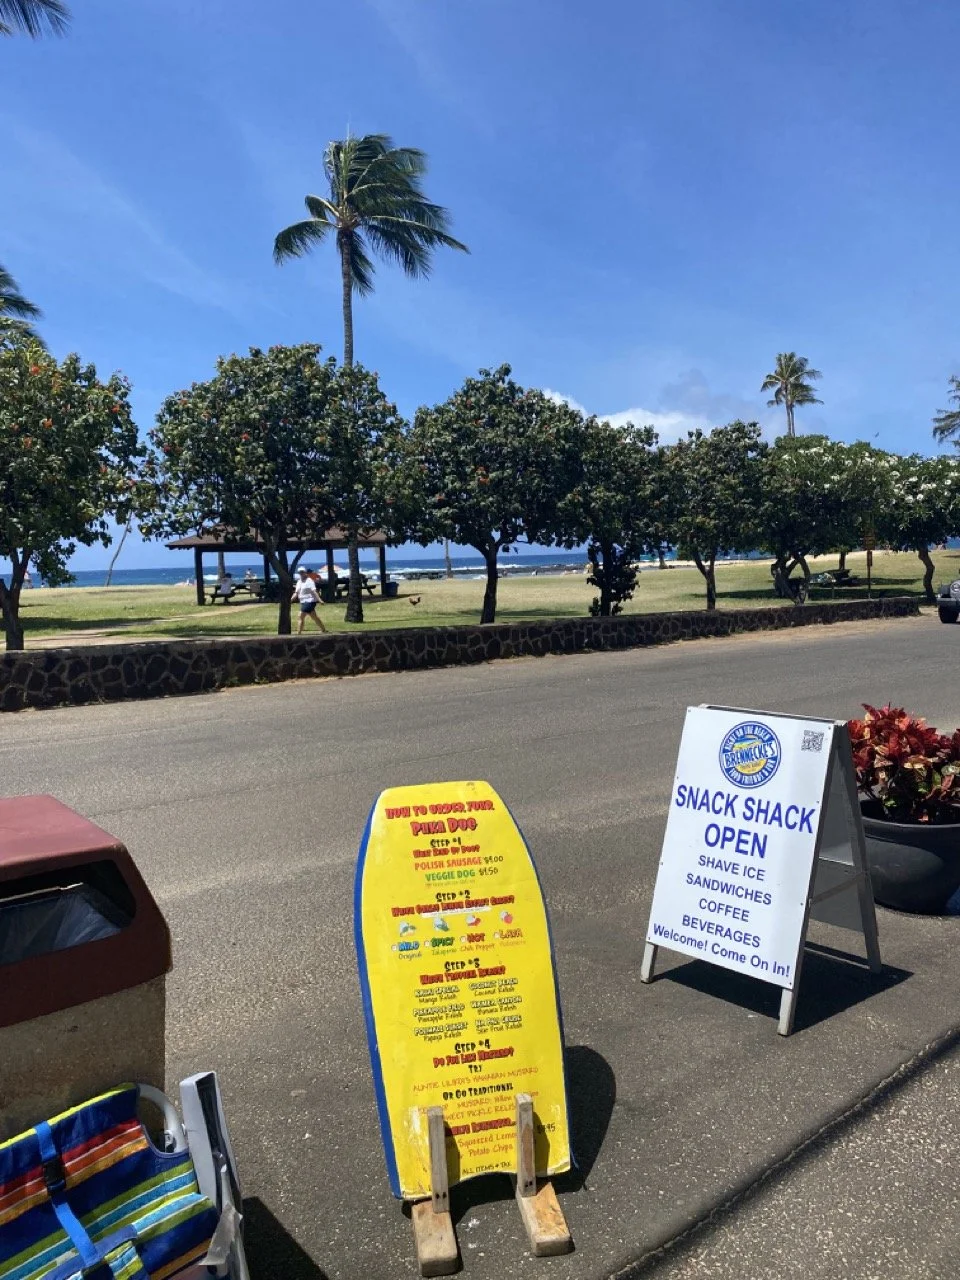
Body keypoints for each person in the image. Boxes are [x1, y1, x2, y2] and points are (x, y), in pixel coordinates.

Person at [292, 565, 326, 633]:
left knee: (300, 616)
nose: (301, 573)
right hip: (303, 601)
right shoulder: (299, 582)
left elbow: (314, 591)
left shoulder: (309, 581)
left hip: (310, 601)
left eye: (302, 572)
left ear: (305, 572)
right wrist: (290, 600)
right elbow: (296, 593)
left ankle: (298, 633)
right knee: (314, 617)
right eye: (300, 572)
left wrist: (319, 600)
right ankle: (323, 630)